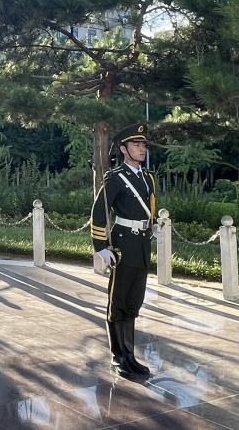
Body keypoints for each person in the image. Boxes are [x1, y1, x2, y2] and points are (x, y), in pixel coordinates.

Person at [90, 123, 156, 378]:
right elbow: (99, 213)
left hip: (142, 246)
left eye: (143, 145)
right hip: (123, 245)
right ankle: (118, 357)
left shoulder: (147, 178)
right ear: (123, 149)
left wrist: (152, 226)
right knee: (118, 303)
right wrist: (101, 247)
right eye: (136, 145)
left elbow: (149, 208)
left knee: (133, 302)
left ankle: (130, 355)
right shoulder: (115, 178)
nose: (142, 149)